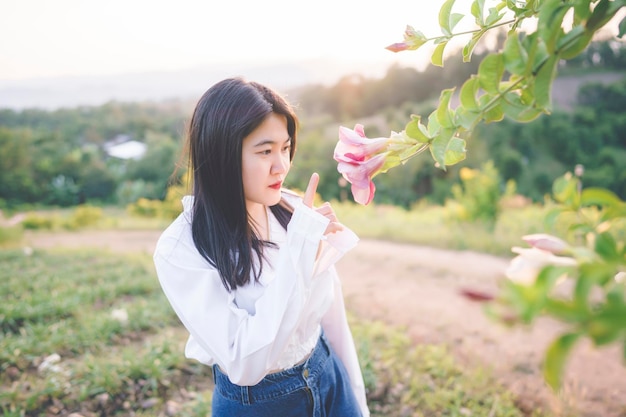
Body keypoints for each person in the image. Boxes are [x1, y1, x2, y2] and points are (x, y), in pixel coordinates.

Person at [153, 77, 370, 417]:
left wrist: (356, 400)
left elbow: (332, 320)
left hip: (328, 377)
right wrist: (299, 249)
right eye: (265, 151)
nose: (281, 165)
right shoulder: (180, 247)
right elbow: (246, 364)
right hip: (260, 406)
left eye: (285, 148)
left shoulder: (293, 209)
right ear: (221, 155)